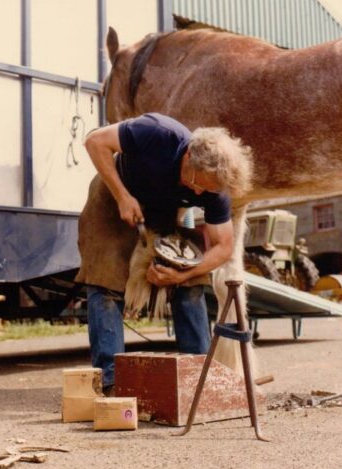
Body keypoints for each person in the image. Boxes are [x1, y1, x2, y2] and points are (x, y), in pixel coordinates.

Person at [76, 113, 253, 395]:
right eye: (197, 183)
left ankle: (197, 376)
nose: (198, 191)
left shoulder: (213, 189)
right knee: (106, 278)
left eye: (205, 190)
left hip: (160, 211)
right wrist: (123, 197)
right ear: (188, 157)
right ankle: (111, 381)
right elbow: (95, 141)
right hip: (114, 193)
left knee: (191, 281)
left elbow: (223, 247)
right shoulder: (156, 132)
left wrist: (183, 272)